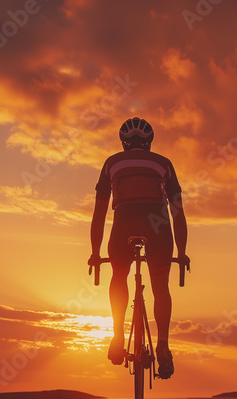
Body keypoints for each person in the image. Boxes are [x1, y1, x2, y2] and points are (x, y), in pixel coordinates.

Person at [88, 117, 189, 379]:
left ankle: (118, 337)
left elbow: (99, 214)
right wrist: (181, 251)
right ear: (149, 142)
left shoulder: (112, 163)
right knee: (160, 286)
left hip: (123, 230)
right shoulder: (164, 164)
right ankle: (164, 346)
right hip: (159, 230)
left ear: (123, 143)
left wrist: (95, 253)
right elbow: (178, 213)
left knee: (119, 275)